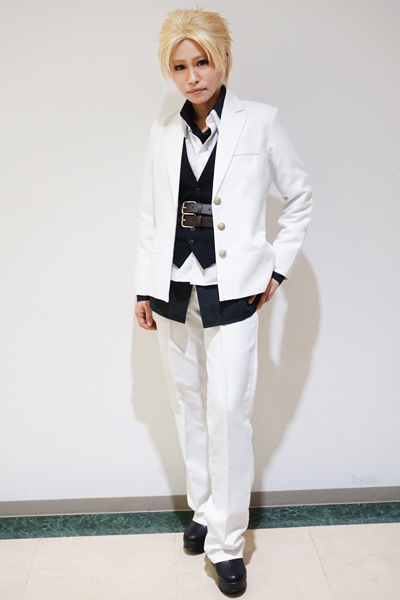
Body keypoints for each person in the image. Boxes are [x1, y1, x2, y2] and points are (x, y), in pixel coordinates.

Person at [134, 8, 312, 595]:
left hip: (234, 289)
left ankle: (228, 542)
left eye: (202, 61)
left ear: (224, 59)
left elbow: (299, 196)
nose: (192, 76)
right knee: (188, 404)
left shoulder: (260, 122)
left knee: (228, 413)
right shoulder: (162, 131)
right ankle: (204, 511)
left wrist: (277, 269)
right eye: (179, 66)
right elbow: (150, 215)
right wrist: (144, 285)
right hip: (173, 288)